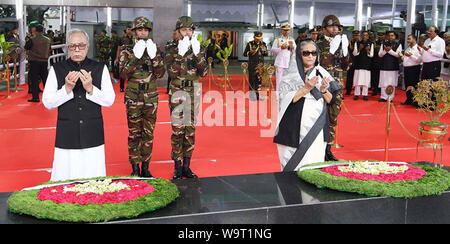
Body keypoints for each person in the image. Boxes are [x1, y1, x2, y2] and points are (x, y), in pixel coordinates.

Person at [42, 28, 115, 181]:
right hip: (67, 130)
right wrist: (66, 89)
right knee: (65, 181)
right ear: (67, 48)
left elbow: (109, 100)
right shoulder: (57, 69)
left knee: (94, 181)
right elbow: (48, 102)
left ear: (87, 46)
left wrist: (90, 89)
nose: (77, 50)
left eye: (81, 45)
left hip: (92, 129)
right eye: (72, 46)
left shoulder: (100, 68)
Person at [274, 39, 341, 171]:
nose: (310, 56)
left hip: (318, 125)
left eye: (314, 53)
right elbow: (283, 99)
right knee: (293, 167)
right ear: (299, 55)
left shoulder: (323, 73)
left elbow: (332, 101)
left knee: (313, 162)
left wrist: (323, 90)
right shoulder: (290, 75)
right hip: (292, 126)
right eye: (306, 53)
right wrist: (305, 89)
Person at [119, 17, 165, 177]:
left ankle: (145, 167)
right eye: (140, 30)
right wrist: (135, 57)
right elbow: (123, 74)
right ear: (134, 32)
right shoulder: (127, 50)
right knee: (134, 133)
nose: (143, 32)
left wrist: (154, 57)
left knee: (148, 133)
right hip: (134, 96)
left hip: (151, 97)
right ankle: (135, 168)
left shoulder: (154, 49)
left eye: (145, 30)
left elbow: (160, 74)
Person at [165, 16, 208, 179]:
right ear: (178, 32)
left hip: (193, 92)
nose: (187, 33)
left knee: (190, 130)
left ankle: (187, 166)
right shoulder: (171, 48)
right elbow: (171, 72)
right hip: (177, 92)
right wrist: (180, 54)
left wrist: (197, 55)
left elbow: (203, 73)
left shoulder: (198, 47)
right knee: (178, 130)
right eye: (184, 30)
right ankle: (177, 166)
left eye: (190, 30)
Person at [316, 15, 349, 161]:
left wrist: (345, 50)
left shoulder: (342, 42)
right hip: (322, 85)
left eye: (337, 26)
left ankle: (328, 150)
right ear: (324, 29)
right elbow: (317, 64)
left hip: (337, 85)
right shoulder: (318, 44)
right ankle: (317, 150)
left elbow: (346, 66)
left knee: (333, 117)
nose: (335, 29)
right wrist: (331, 50)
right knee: (319, 117)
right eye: (331, 26)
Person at [24, 24, 51, 102]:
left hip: (34, 61)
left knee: (34, 79)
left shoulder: (32, 39)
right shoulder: (48, 39)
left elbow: (26, 48)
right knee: (45, 79)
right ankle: (49, 96)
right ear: (43, 30)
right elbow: (50, 49)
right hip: (44, 61)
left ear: (35, 30)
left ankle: (35, 97)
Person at [243, 31, 269, 100]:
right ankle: (252, 96)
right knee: (252, 81)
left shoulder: (263, 44)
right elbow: (245, 54)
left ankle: (257, 96)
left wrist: (266, 53)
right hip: (252, 65)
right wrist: (250, 52)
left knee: (258, 81)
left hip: (260, 65)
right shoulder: (250, 44)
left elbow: (264, 54)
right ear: (254, 37)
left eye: (259, 38)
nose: (258, 39)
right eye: (257, 38)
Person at [378, 30, 402, 102]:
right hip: (384, 66)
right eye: (389, 35)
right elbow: (380, 54)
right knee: (383, 82)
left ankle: (390, 97)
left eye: (392, 35)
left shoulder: (398, 44)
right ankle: (383, 96)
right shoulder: (383, 44)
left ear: (395, 36)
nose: (390, 37)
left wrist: (390, 51)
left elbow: (398, 55)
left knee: (392, 82)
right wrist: (385, 51)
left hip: (393, 66)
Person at [271, 24, 296, 89]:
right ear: (282, 30)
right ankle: (278, 95)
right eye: (284, 30)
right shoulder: (278, 39)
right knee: (279, 80)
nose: (286, 32)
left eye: (287, 30)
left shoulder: (292, 40)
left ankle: (286, 95)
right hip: (280, 63)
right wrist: (280, 48)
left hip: (288, 63)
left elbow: (295, 51)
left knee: (288, 81)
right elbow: (273, 50)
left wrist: (292, 48)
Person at [400, 34, 422, 106]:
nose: (407, 40)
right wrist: (402, 56)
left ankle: (416, 100)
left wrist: (411, 56)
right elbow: (405, 58)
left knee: (414, 84)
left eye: (409, 39)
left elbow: (419, 60)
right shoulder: (408, 48)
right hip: (407, 68)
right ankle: (409, 99)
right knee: (408, 84)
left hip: (414, 68)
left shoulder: (418, 48)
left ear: (414, 39)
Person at [352, 31, 374, 101]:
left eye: (366, 35)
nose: (365, 37)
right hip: (358, 64)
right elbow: (354, 54)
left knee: (366, 80)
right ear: (361, 36)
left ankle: (365, 94)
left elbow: (372, 55)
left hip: (367, 64)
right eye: (363, 35)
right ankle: (357, 94)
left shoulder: (371, 44)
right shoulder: (357, 43)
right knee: (357, 80)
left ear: (368, 36)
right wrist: (359, 49)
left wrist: (368, 51)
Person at [115, 25, 134, 92]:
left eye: (131, 29)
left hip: (132, 58)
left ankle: (131, 87)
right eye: (128, 29)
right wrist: (117, 58)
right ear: (126, 30)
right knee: (122, 72)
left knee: (131, 73)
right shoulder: (122, 39)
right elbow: (118, 49)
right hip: (123, 58)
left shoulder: (135, 39)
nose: (129, 31)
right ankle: (122, 87)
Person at [345, 30, 361, 95]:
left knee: (358, 77)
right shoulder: (349, 42)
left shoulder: (361, 43)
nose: (356, 37)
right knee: (350, 76)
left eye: (357, 35)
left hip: (359, 62)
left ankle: (358, 91)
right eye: (354, 35)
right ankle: (348, 90)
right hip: (351, 61)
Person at [371, 32, 385, 96]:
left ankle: (381, 90)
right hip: (376, 62)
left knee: (382, 78)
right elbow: (375, 50)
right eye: (379, 36)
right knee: (375, 77)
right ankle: (375, 90)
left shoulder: (386, 43)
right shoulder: (375, 43)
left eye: (382, 36)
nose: (380, 37)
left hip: (383, 63)